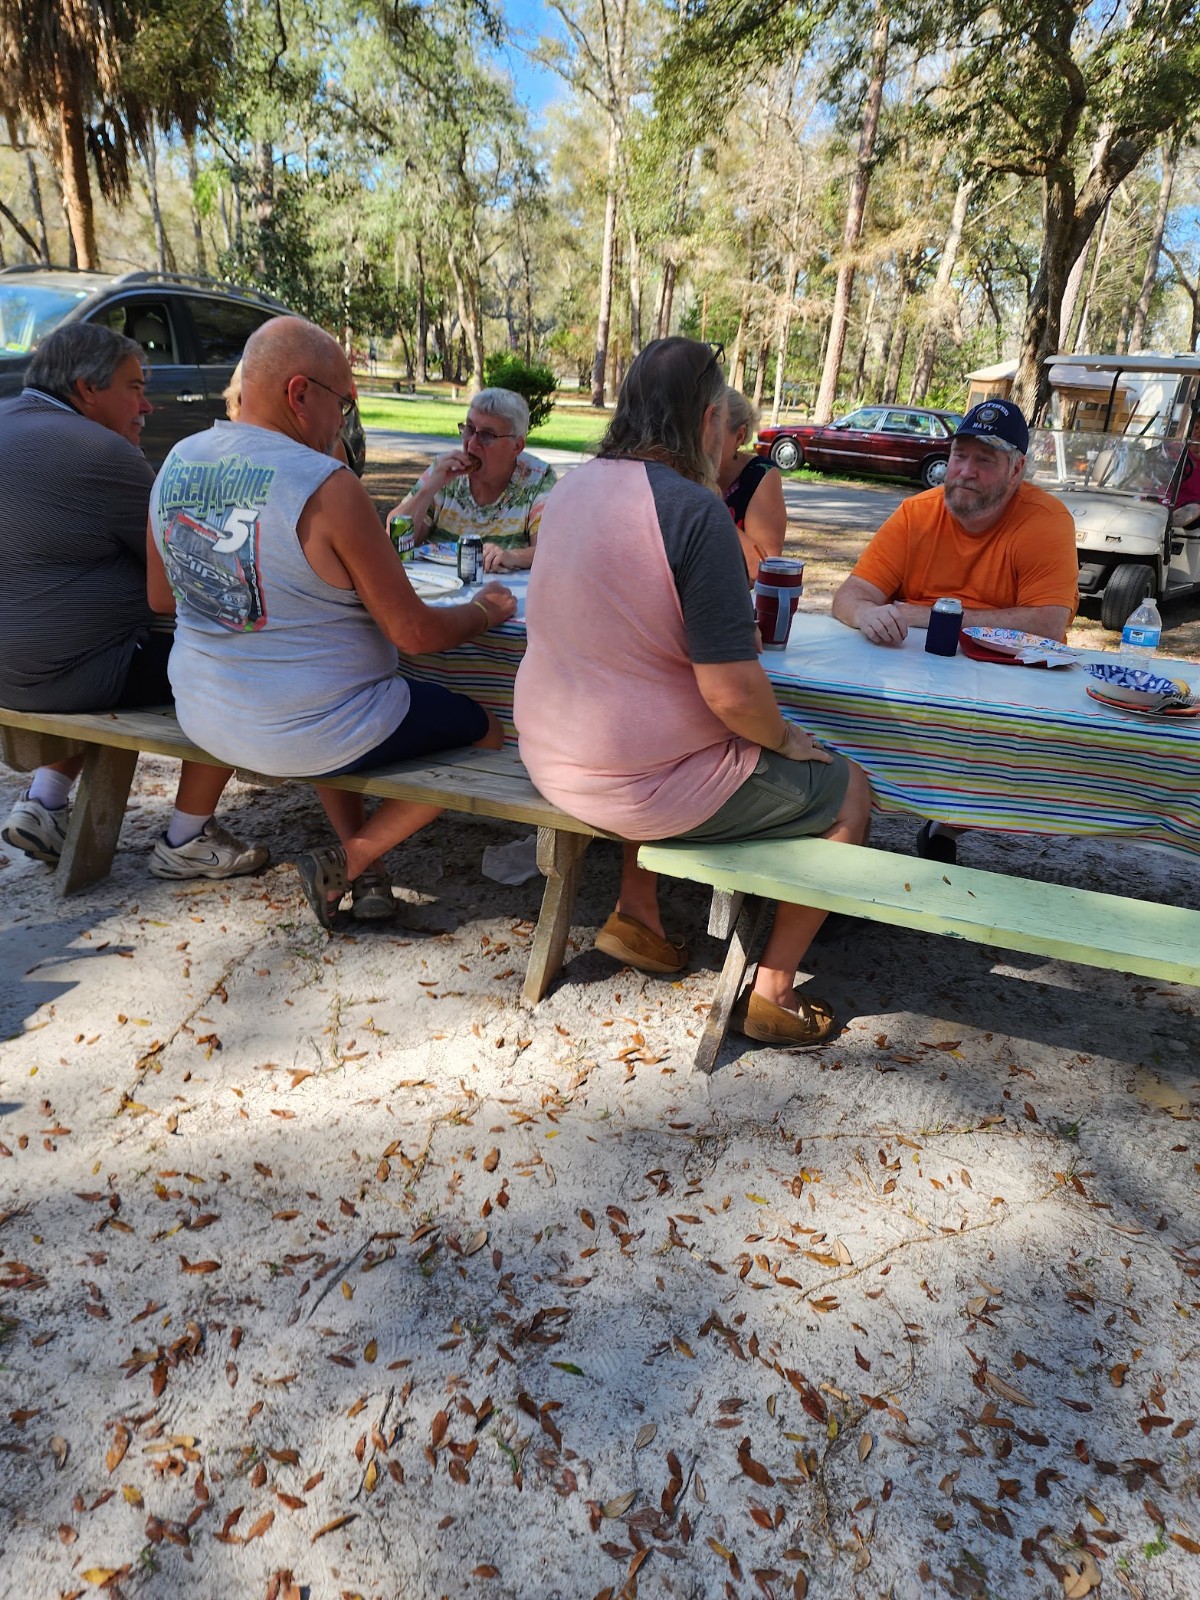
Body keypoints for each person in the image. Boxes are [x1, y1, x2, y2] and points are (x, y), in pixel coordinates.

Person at [514, 338, 872, 1047]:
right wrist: (787, 739)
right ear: (711, 419)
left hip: (551, 757)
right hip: (634, 781)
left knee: (670, 736)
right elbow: (733, 695)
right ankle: (774, 992)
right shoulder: (695, 510)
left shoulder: (572, 489)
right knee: (851, 793)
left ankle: (639, 915)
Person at [146, 315, 517, 929]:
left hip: (206, 714)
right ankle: (356, 856)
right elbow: (415, 634)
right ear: (299, 394)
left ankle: (364, 866)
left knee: (341, 703)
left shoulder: (177, 461)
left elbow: (162, 597)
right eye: (343, 404)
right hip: (312, 727)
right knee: (485, 730)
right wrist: (485, 611)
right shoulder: (325, 485)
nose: (343, 422)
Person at [0, 323, 266, 880]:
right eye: (135, 388)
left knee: (94, 637)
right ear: (86, 388)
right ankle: (188, 837)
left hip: (21, 667)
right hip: (64, 675)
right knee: (232, 658)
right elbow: (188, 570)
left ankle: (44, 802)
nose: (147, 406)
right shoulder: (100, 451)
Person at [831, 397, 1078, 865]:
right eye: (960, 455)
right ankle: (851, 833)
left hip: (1005, 681)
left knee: (1011, 754)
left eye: (985, 460)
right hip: (915, 674)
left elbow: (1048, 623)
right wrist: (866, 614)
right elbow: (849, 596)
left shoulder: (1046, 520)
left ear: (1017, 469)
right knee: (843, 727)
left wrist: (925, 615)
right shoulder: (916, 513)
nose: (965, 471)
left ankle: (944, 823)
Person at [387, 387, 555, 573]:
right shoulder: (445, 470)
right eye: (469, 429)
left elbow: (550, 550)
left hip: (503, 589)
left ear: (516, 446)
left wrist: (512, 556)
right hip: (436, 584)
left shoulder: (537, 478)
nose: (472, 443)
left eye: (487, 435)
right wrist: (430, 487)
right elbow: (392, 538)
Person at [718, 388, 787, 581]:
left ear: (739, 436)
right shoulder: (677, 468)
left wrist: (712, 506)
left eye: (712, 430)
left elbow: (763, 569)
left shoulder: (760, 475)